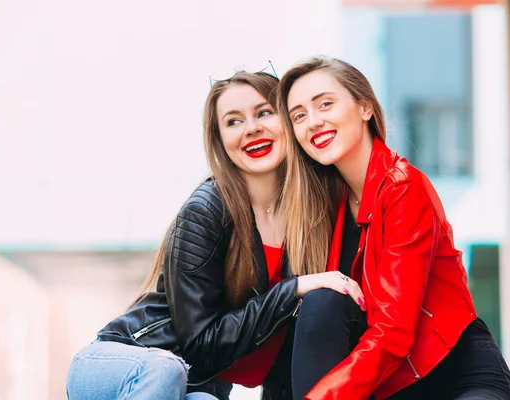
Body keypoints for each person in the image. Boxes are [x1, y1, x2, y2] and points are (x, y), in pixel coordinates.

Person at [65, 68, 366, 400]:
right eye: (233, 121)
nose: (251, 129)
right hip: (118, 366)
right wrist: (293, 289)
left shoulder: (309, 222)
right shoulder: (207, 210)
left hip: (195, 388)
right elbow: (199, 346)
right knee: (165, 370)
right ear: (221, 140)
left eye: (264, 112)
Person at [277, 55, 510, 400]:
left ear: (365, 107)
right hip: (386, 385)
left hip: (456, 376)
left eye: (325, 104)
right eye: (299, 116)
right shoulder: (321, 208)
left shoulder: (404, 188)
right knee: (322, 302)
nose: (313, 121)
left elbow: (393, 331)